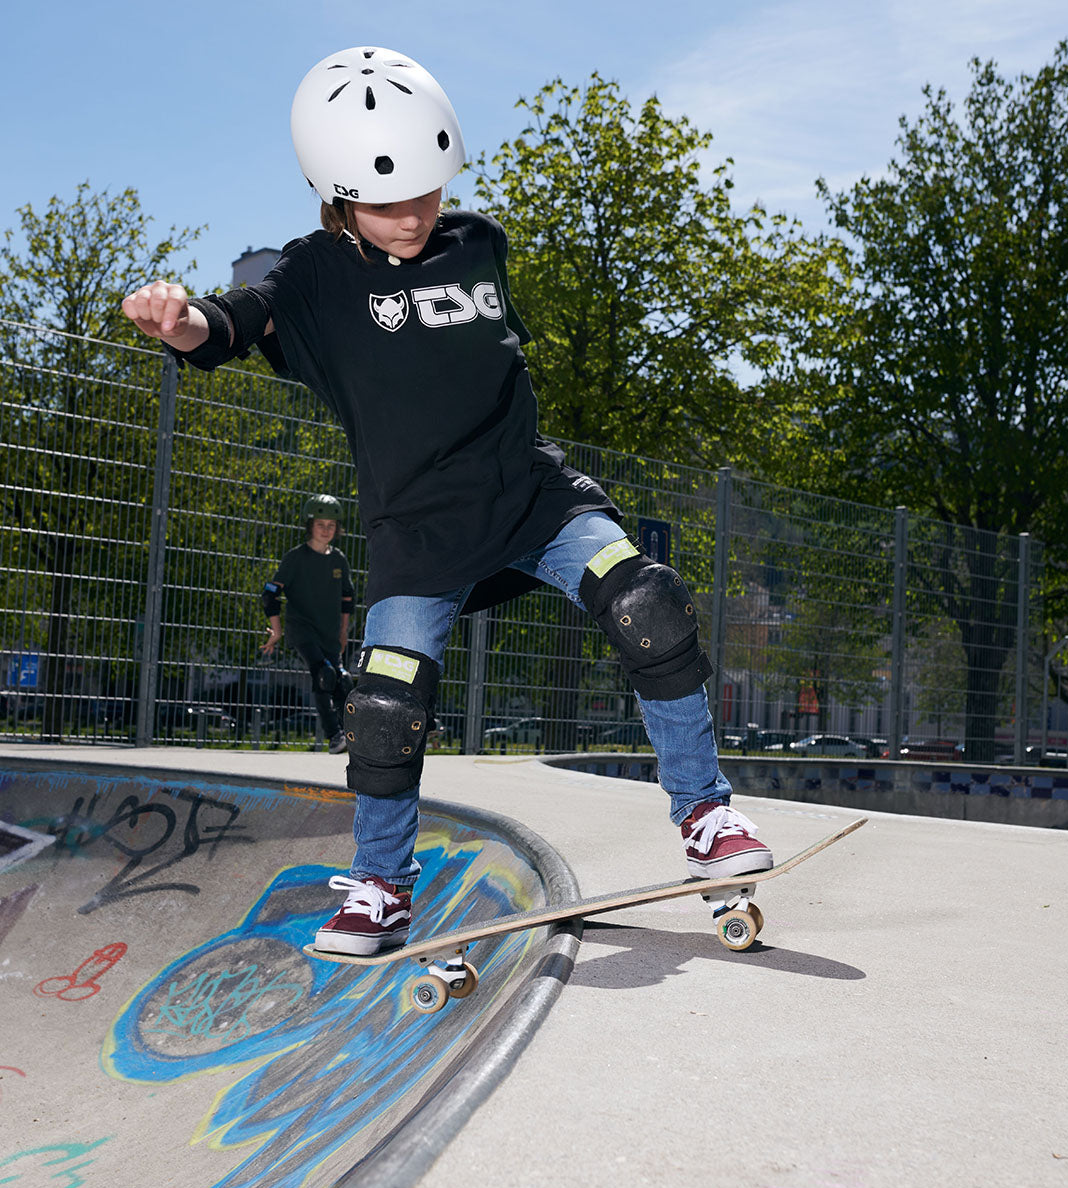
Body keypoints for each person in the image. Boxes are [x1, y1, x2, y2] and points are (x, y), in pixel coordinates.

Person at [122, 45, 773, 956]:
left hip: (532, 497)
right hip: (418, 531)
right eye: (386, 202)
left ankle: (706, 816)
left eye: (426, 192)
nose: (413, 215)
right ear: (336, 193)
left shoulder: (478, 244)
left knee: (645, 602)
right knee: (386, 703)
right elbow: (231, 323)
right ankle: (383, 887)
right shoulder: (313, 276)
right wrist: (177, 319)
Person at [260, 493, 355, 754]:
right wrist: (277, 630)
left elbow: (348, 599)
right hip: (302, 629)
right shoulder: (295, 558)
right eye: (320, 524)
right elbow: (269, 594)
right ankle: (334, 736)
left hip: (330, 632)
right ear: (309, 525)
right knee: (324, 674)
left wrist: (343, 632)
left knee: (342, 681)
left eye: (331, 525)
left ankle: (352, 735)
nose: (326, 530)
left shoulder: (339, 560)